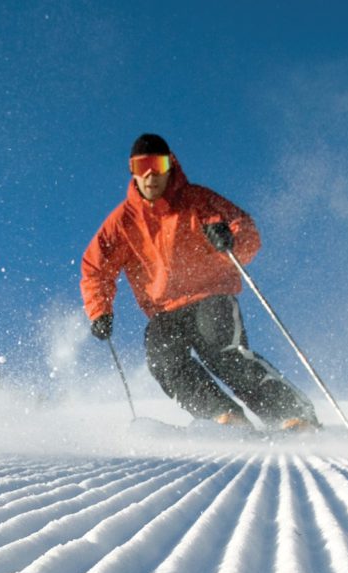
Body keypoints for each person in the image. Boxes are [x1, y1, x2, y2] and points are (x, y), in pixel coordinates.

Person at [81, 133, 318, 431]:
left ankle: (291, 413)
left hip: (211, 294)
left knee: (223, 352)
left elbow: (245, 230)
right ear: (133, 171)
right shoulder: (123, 222)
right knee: (164, 361)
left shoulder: (197, 200)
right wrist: (99, 310)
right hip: (164, 310)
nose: (151, 174)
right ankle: (224, 417)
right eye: (143, 166)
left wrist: (230, 238)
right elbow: (96, 269)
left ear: (170, 165)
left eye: (158, 164)